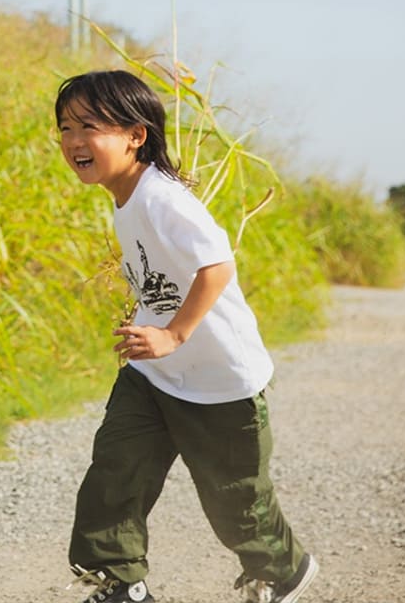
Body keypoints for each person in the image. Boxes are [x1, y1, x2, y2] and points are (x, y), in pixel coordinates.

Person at [56, 69, 318, 603]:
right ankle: (119, 584)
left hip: (219, 381)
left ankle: (282, 568)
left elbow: (217, 266)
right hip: (153, 374)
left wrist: (173, 334)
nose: (75, 141)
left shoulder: (161, 199)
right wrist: (151, 325)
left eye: (90, 126)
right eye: (65, 128)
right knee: (115, 473)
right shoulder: (127, 197)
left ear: (136, 134)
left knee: (237, 503)